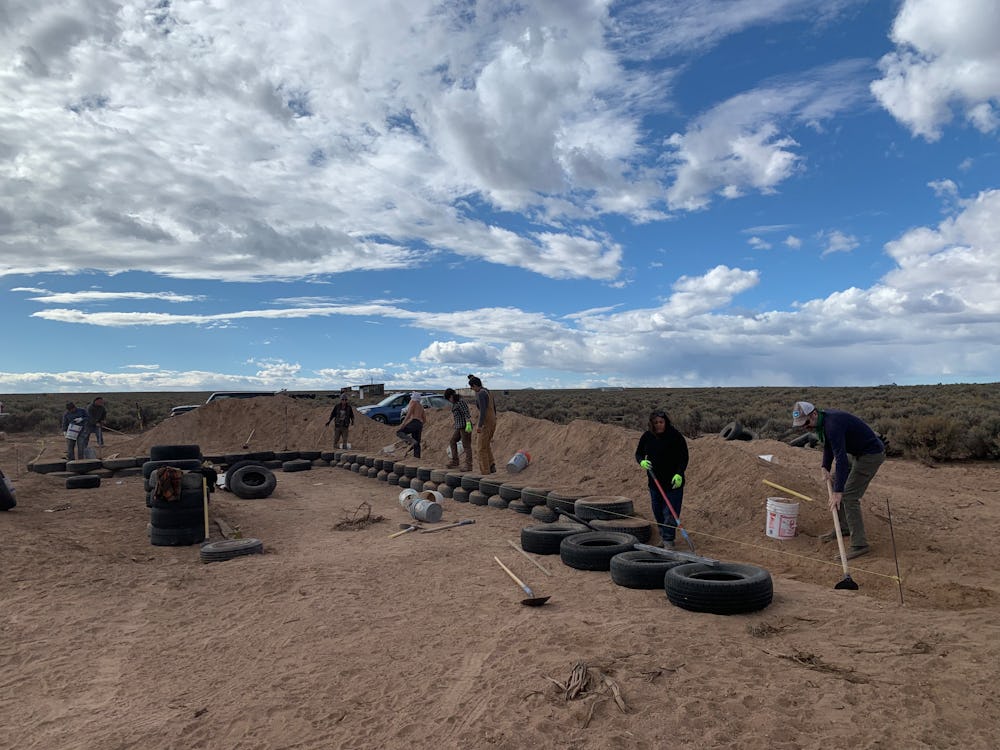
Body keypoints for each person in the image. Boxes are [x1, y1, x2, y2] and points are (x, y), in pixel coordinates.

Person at [792, 401, 885, 560]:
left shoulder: (832, 425)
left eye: (806, 423)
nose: (805, 428)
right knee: (836, 479)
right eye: (801, 425)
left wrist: (837, 493)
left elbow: (841, 459)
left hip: (871, 455)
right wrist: (825, 466)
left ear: (814, 414)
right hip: (857, 453)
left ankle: (860, 544)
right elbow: (829, 446)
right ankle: (844, 527)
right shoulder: (823, 422)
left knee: (849, 496)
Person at [635, 409, 689, 549]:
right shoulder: (647, 436)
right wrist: (641, 461)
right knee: (658, 511)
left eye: (661, 422)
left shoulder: (675, 436)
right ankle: (664, 538)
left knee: (670, 513)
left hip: (673, 483)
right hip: (654, 482)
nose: (659, 425)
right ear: (651, 424)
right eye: (656, 422)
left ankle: (668, 540)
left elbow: (684, 457)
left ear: (666, 422)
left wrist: (679, 474)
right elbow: (639, 453)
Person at [468, 374, 497, 474]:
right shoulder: (487, 391)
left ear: (475, 385)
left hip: (486, 423)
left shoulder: (480, 393)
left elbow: (483, 411)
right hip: (493, 420)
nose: (471, 389)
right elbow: (494, 407)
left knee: (480, 448)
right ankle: (491, 465)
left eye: (472, 387)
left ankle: (485, 471)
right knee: (486, 445)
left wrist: (480, 425)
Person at [443, 387, 473, 471]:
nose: (449, 400)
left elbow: (466, 413)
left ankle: (469, 465)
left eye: (449, 398)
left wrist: (468, 425)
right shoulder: (455, 403)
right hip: (459, 427)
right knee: (452, 441)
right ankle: (455, 461)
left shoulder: (460, 402)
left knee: (466, 445)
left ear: (451, 396)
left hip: (464, 427)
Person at [396, 392, 426, 458]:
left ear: (413, 398)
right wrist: (420, 425)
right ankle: (417, 458)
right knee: (417, 443)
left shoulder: (413, 402)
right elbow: (424, 419)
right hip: (419, 424)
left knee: (399, 432)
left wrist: (403, 424)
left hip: (414, 421)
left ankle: (411, 441)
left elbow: (408, 415)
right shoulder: (421, 406)